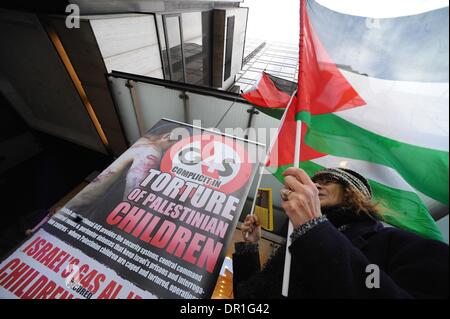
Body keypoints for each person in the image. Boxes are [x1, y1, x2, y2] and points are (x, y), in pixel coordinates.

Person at [233, 167, 449, 299]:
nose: (316, 185)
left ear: (352, 194)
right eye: (315, 181)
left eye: (328, 181)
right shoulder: (299, 244)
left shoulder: (393, 244)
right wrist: (250, 248)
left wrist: (314, 228)